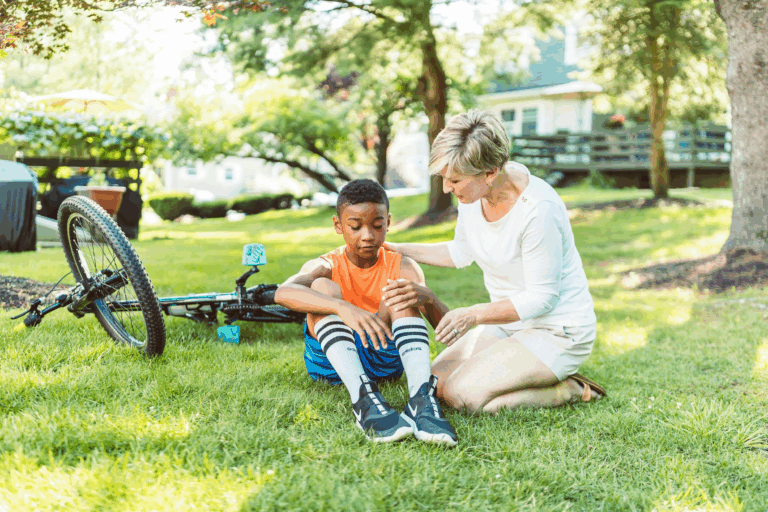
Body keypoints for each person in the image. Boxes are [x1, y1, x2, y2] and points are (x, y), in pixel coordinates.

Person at [382, 109, 606, 414]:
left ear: (490, 173)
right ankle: (516, 369)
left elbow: (542, 298)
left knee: (464, 397)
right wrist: (396, 248)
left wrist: (473, 315)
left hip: (556, 331)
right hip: (509, 325)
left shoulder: (539, 211)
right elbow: (461, 252)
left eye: (455, 180)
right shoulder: (474, 197)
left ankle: (567, 389)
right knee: (432, 384)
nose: (447, 188)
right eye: (445, 178)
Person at [274, 179, 458, 445]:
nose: (368, 236)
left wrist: (428, 298)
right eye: (355, 226)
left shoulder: (402, 265)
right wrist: (341, 307)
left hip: (384, 359)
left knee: (401, 291)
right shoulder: (327, 264)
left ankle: (420, 400)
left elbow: (447, 332)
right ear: (339, 225)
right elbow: (283, 292)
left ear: (388, 222)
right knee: (322, 288)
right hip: (331, 366)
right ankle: (363, 399)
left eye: (377, 225)